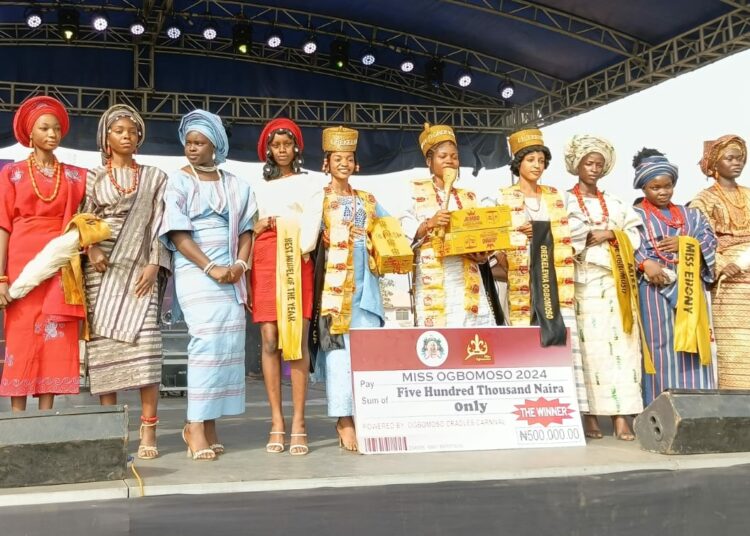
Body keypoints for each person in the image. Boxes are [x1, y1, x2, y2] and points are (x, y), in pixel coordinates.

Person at [160, 109, 256, 461]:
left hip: (232, 272)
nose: (192, 148)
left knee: (227, 345)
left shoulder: (237, 184)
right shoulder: (179, 181)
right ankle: (194, 425)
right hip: (196, 268)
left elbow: (247, 230)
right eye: (188, 142)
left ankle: (211, 424)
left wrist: (240, 266)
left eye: (199, 142)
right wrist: (212, 267)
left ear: (216, 145)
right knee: (205, 342)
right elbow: (177, 233)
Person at [81, 104, 170, 459]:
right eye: (120, 131)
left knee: (147, 352)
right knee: (107, 358)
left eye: (132, 132)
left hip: (140, 270)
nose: (127, 137)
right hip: (101, 272)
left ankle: (148, 433)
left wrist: (154, 264)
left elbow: (160, 224)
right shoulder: (93, 177)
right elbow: (82, 219)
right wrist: (91, 252)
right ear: (107, 137)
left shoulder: (155, 177)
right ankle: (112, 433)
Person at [492, 129, 587, 414]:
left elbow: (578, 232)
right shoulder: (501, 199)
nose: (537, 165)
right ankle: (529, 406)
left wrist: (542, 232)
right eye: (530, 159)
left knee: (562, 340)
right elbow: (496, 237)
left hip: (555, 284)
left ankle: (569, 410)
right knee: (525, 340)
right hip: (522, 282)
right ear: (518, 163)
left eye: (541, 160)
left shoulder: (559, 198)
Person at [0, 96, 87, 410]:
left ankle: (46, 417)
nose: (52, 133)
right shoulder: (12, 174)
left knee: (56, 332)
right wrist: (1, 278)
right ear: (29, 133)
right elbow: (3, 227)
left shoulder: (78, 176)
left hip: (61, 262)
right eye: (44, 128)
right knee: (22, 337)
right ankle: (17, 416)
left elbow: (90, 217)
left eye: (56, 128)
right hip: (22, 265)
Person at [309, 126, 387, 452]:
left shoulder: (369, 201)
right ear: (326, 163)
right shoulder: (319, 199)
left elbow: (391, 233)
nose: (343, 163)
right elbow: (302, 241)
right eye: (337, 158)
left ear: (357, 164)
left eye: (349, 158)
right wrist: (320, 241)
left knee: (368, 354)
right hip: (332, 292)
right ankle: (344, 419)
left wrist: (375, 240)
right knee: (338, 356)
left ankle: (369, 413)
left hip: (365, 292)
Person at [564, 135, 643, 440]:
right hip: (582, 285)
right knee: (587, 352)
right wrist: (587, 236)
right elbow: (562, 233)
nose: (594, 168)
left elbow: (633, 232)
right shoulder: (564, 200)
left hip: (616, 284)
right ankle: (591, 418)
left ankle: (623, 416)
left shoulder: (616, 202)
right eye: (588, 163)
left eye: (599, 164)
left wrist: (611, 233)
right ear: (577, 165)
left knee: (623, 349)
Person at [252, 118, 323, 455]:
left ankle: (299, 421)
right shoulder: (260, 188)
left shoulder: (312, 184)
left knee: (295, 338)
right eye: (275, 145)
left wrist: (297, 244)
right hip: (266, 256)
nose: (281, 150)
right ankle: (276, 420)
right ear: (268, 150)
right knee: (269, 339)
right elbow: (249, 225)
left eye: (287, 144)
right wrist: (259, 225)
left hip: (296, 255)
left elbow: (311, 223)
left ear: (296, 147)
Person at [632, 148, 717, 405]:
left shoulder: (692, 214)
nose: (662, 192)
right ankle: (661, 406)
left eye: (667, 186)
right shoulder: (635, 216)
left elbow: (709, 240)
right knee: (660, 346)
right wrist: (646, 264)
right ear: (644, 188)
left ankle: (699, 405)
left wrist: (685, 243)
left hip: (691, 289)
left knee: (693, 343)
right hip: (655, 291)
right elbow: (629, 245)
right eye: (655, 187)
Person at [400, 123, 501, 328]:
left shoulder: (469, 196)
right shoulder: (414, 193)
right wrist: (430, 224)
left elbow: (482, 235)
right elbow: (405, 231)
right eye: (443, 156)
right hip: (435, 277)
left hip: (467, 277)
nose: (450, 161)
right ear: (429, 161)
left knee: (473, 335)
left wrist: (482, 257)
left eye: (454, 157)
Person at [691, 135, 749, 389]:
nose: (737, 163)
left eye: (740, 158)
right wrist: (721, 262)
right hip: (729, 283)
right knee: (735, 346)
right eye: (730, 158)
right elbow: (697, 237)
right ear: (715, 163)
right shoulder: (703, 199)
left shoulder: (749, 194)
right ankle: (737, 404)